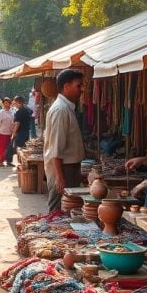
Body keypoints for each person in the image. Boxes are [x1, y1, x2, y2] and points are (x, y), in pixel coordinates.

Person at [43, 69, 86, 213]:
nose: (82, 90)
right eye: (78, 86)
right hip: (62, 168)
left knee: (67, 210)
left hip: (68, 168)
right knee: (57, 212)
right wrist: (60, 177)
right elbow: (56, 148)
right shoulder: (60, 110)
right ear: (66, 87)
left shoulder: (66, 108)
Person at [7, 95, 33, 166]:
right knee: (23, 147)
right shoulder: (27, 109)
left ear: (18, 102)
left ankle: (10, 160)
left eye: (15, 103)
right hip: (26, 132)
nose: (14, 105)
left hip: (20, 132)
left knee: (17, 147)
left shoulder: (20, 111)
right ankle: (21, 162)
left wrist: (14, 133)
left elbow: (17, 123)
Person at [0, 97, 15, 168]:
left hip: (10, 133)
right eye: (5, 103)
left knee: (9, 148)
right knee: (2, 148)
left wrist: (13, 131)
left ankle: (9, 161)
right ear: (3, 104)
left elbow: (13, 122)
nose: (7, 104)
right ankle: (0, 161)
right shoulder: (1, 112)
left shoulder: (12, 112)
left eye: (8, 103)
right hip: (2, 132)